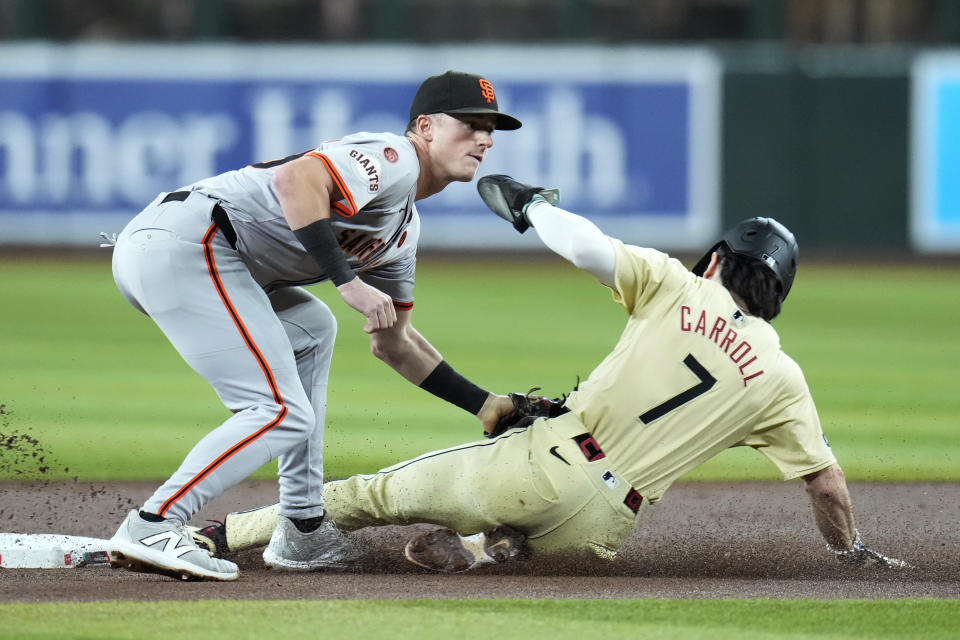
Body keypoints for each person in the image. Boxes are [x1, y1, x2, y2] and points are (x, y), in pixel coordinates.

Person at [189, 175, 908, 574]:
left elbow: (588, 248)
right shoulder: (783, 377)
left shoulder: (676, 284)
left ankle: (219, 535)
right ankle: (490, 549)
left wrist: (533, 207)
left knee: (371, 495)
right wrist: (848, 551)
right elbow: (827, 483)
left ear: (718, 261)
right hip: (605, 522)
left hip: (547, 461)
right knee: (534, 539)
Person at [105, 71, 521, 582]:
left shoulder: (402, 231)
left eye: (491, 129)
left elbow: (395, 344)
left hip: (202, 255)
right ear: (426, 126)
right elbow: (296, 180)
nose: (484, 138)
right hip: (189, 240)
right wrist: (348, 281)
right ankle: (153, 522)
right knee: (279, 410)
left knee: (312, 327)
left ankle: (301, 528)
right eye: (471, 123)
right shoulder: (395, 156)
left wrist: (486, 405)